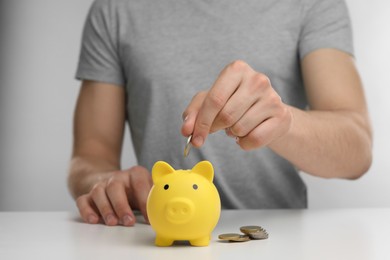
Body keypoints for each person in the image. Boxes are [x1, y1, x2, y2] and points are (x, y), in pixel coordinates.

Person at [68, 0, 372, 227]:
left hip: (276, 238)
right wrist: (104, 181)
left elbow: (357, 151)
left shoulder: (312, 3)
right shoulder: (115, 8)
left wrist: (282, 123)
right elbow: (90, 153)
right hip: (152, 232)